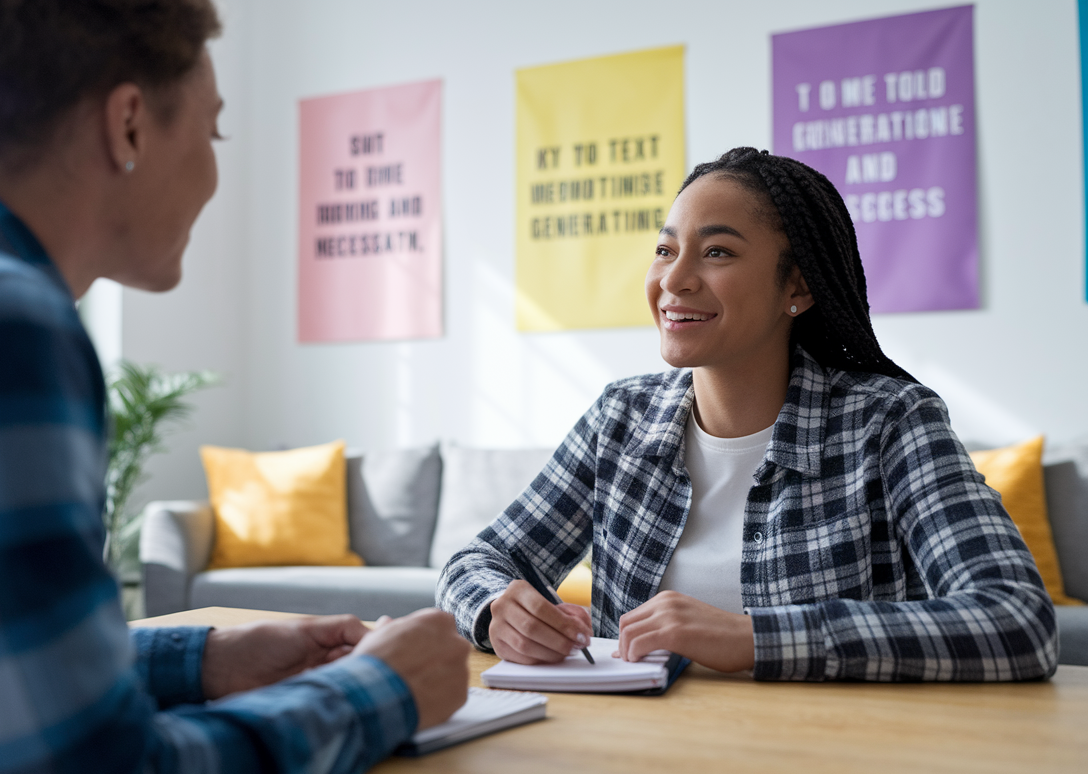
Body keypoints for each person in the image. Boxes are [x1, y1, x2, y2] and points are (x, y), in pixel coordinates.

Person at [0, 1, 469, 774]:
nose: (217, 174)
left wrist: (204, 658)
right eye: (214, 130)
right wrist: (382, 690)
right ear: (127, 126)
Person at [438, 147, 1059, 682]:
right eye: (664, 248)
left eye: (717, 253)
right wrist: (497, 612)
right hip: (631, 755)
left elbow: (1015, 618)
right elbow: (474, 565)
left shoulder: (891, 422)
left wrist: (755, 638)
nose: (673, 280)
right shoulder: (620, 419)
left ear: (797, 288)